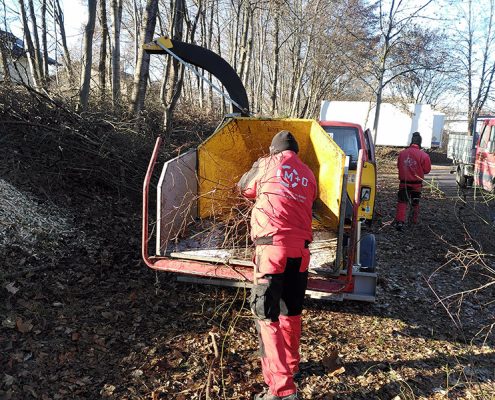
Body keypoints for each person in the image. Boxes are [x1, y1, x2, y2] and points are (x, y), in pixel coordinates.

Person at [238, 130, 317, 400]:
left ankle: (282, 391)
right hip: (301, 252)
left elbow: (244, 188)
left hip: (272, 249)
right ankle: (292, 366)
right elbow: (311, 199)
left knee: (266, 317)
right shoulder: (308, 173)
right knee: (290, 311)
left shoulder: (266, 164)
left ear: (274, 150)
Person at [394, 132, 431, 230]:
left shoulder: (402, 154)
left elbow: (399, 167)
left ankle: (400, 222)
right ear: (420, 143)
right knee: (415, 202)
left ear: (411, 142)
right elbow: (427, 170)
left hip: (404, 183)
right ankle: (413, 221)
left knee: (402, 202)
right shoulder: (424, 155)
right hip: (417, 184)